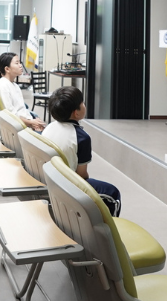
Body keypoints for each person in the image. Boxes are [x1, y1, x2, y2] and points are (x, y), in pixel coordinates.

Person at [43, 87, 121, 216]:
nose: (84, 105)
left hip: (48, 178)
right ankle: (108, 228)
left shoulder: (48, 128)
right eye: (82, 103)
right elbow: (82, 175)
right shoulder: (81, 137)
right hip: (66, 185)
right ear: (76, 113)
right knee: (112, 193)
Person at [0, 53, 45, 132]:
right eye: (17, 63)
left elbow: (21, 109)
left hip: (25, 123)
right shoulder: (3, 86)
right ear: (7, 69)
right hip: (19, 128)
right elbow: (10, 116)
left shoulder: (14, 85)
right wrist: (31, 123)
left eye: (20, 63)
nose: (20, 65)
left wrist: (34, 121)